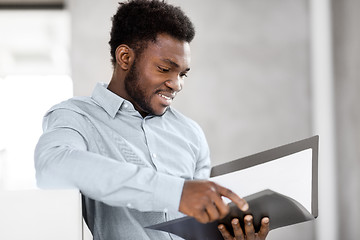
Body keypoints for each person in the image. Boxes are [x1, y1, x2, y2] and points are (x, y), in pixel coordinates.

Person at [34, 0, 269, 239]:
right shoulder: (77, 117)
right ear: (125, 57)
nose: (176, 84)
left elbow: (199, 226)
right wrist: (176, 193)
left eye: (182, 74)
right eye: (165, 69)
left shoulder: (190, 133)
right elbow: (52, 166)